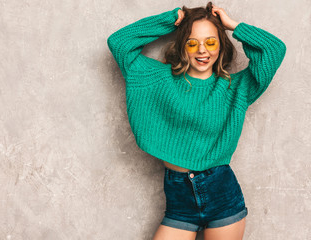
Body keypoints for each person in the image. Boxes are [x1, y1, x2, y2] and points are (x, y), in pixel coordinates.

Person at [107, 2, 286, 240]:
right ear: (183, 47)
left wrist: (233, 26)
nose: (203, 50)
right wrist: (171, 19)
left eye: (211, 42)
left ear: (221, 46)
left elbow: (274, 49)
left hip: (222, 196)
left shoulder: (234, 88)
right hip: (179, 202)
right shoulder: (159, 79)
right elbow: (119, 43)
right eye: (193, 43)